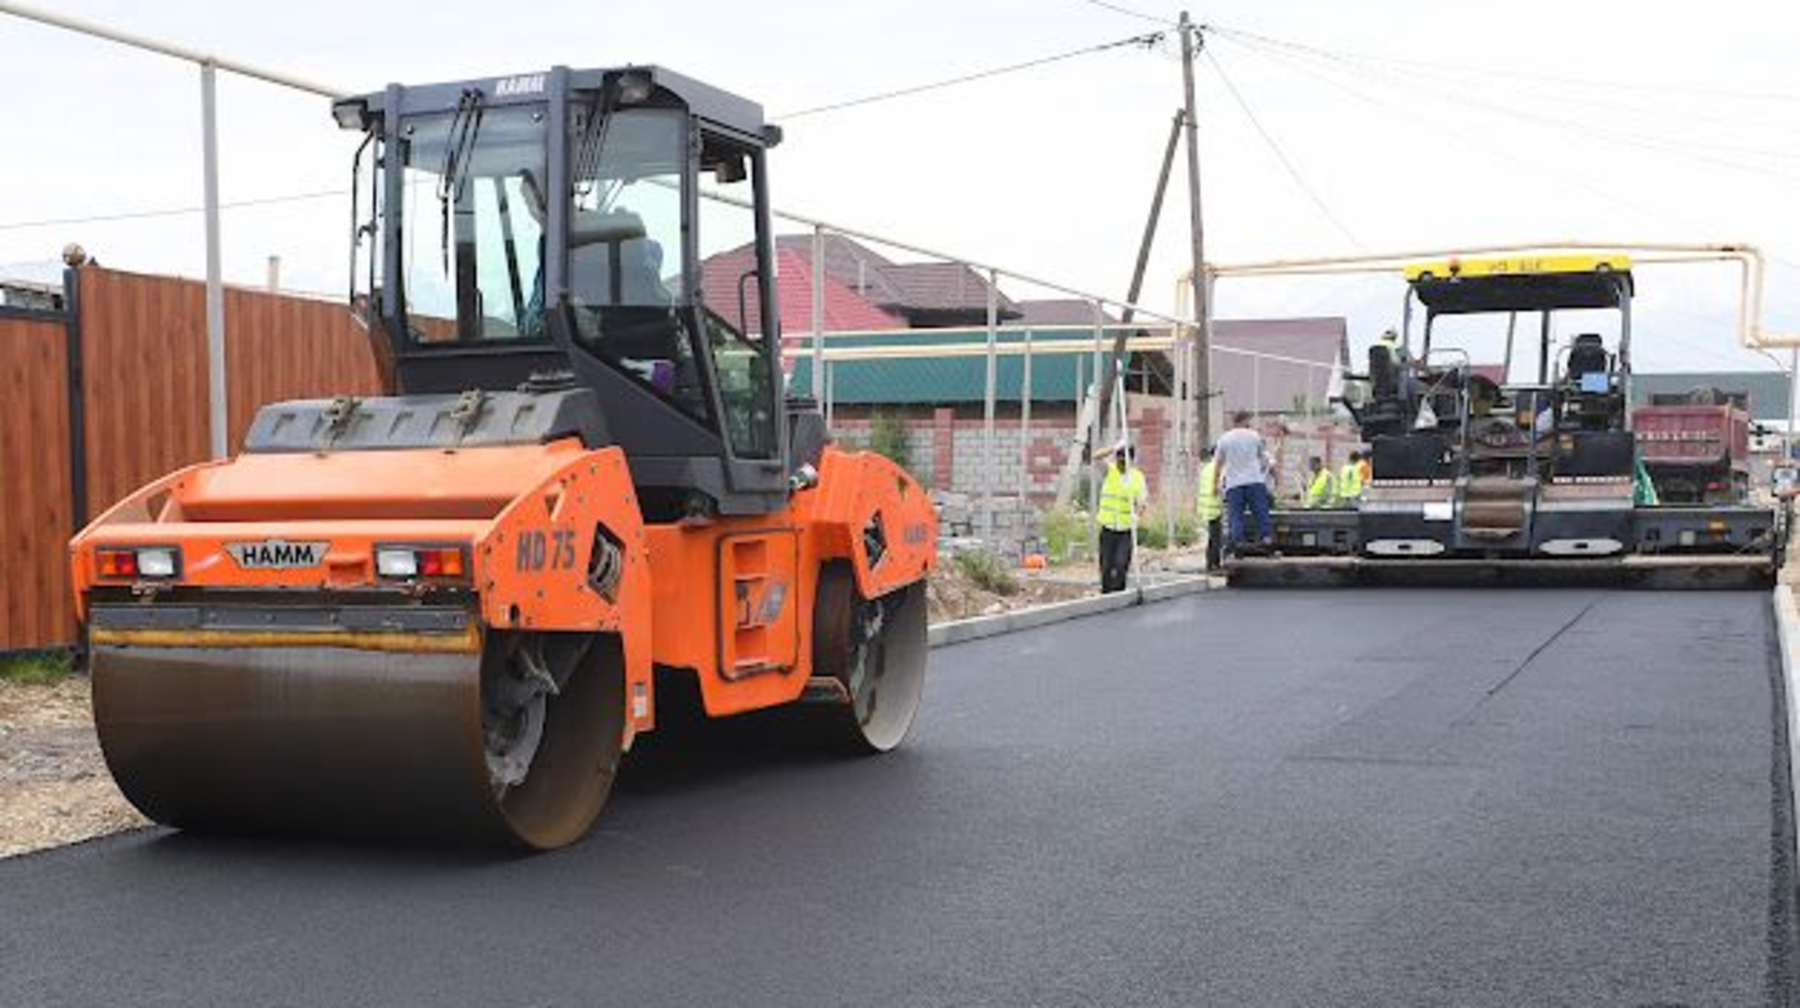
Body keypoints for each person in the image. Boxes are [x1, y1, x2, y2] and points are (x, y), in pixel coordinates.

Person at [1214, 411, 1272, 552]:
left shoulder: (1224, 439)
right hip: (1254, 481)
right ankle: (1266, 538)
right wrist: (1262, 472)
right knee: (1260, 511)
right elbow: (1263, 459)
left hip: (1234, 484)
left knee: (1236, 515)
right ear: (1245, 420)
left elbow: (1218, 464)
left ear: (1233, 421)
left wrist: (1215, 484)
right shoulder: (1254, 436)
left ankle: (1238, 542)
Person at [1096, 443, 1149, 593]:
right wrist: (1114, 447)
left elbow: (1142, 502)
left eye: (1124, 461)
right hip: (1108, 528)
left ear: (1130, 460)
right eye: (1118, 460)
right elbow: (1096, 457)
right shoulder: (1110, 471)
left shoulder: (1137, 477)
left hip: (1126, 530)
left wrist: (1137, 515)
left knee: (1121, 564)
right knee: (1106, 566)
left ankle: (1119, 595)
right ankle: (1106, 594)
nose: (1121, 464)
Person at [1196, 446, 1223, 569]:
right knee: (1216, 538)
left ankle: (1210, 563)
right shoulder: (1219, 468)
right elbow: (1221, 488)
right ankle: (1214, 564)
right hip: (1215, 507)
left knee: (1212, 537)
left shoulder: (1206, 468)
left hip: (1206, 507)